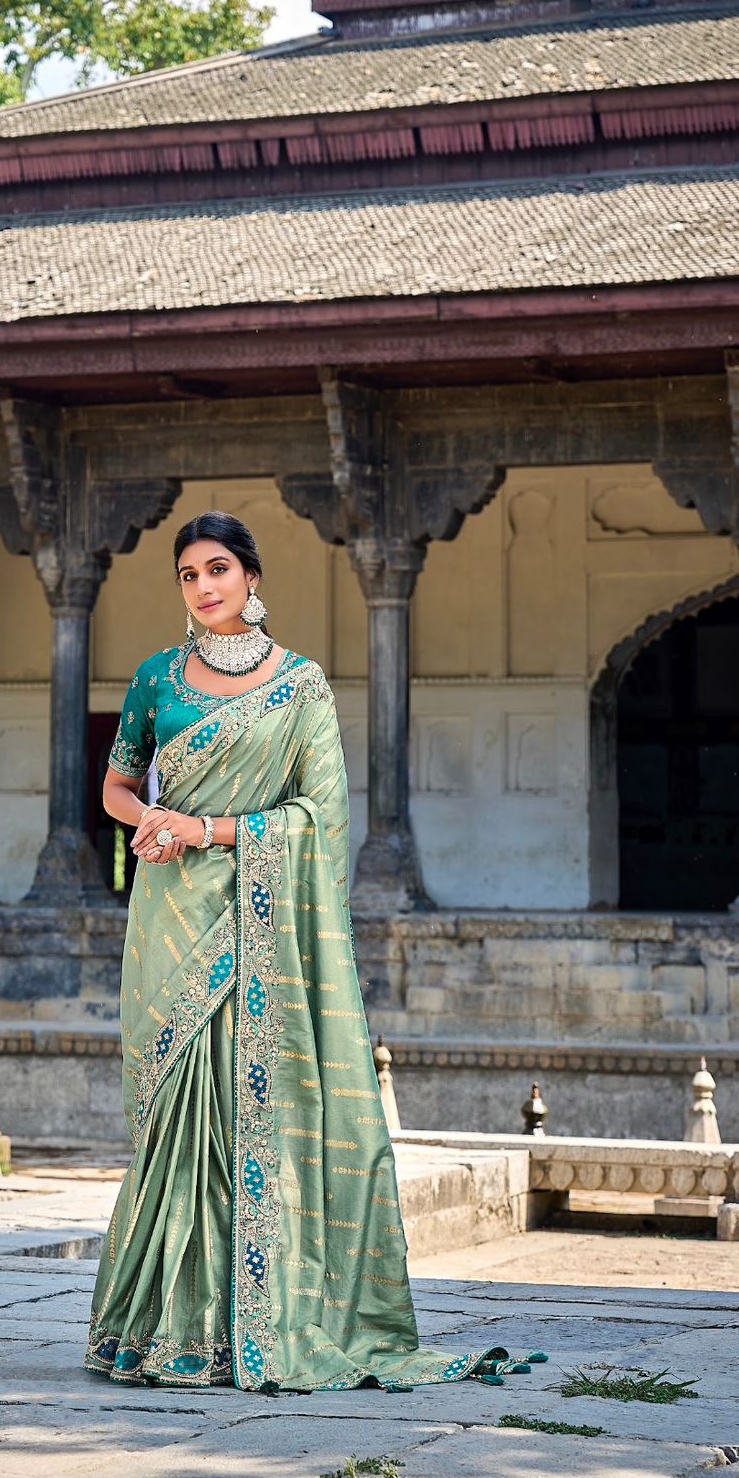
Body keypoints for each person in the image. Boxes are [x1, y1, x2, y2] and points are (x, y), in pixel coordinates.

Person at [84, 510, 545, 1392]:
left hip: (262, 930)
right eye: (188, 575)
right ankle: (164, 1328)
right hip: (171, 920)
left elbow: (320, 826)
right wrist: (150, 821)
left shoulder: (300, 688)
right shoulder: (154, 680)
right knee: (177, 1120)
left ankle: (253, 1327)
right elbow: (115, 781)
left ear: (252, 578)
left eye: (218, 568)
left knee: (250, 1114)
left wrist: (208, 828)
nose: (204, 586)